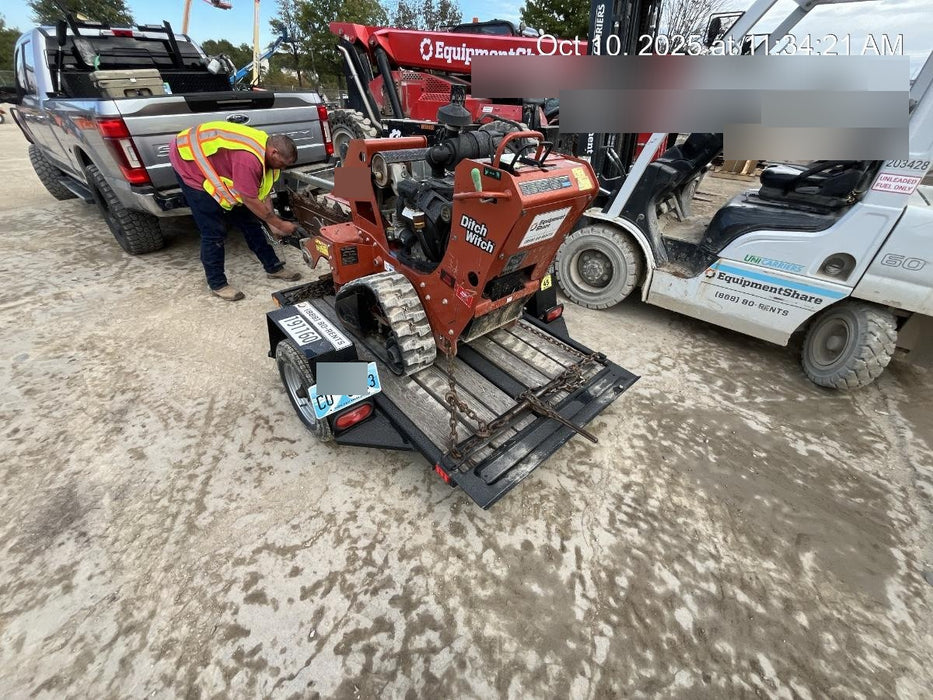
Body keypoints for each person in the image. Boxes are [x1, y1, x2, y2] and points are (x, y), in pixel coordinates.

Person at [169, 121, 302, 301]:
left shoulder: (267, 156)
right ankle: (217, 283)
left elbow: (262, 194)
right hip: (188, 160)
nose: (284, 168)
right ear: (274, 152)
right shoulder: (248, 160)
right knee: (213, 230)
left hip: (214, 161)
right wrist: (280, 224)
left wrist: (274, 225)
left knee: (250, 222)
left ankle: (273, 267)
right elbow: (249, 199)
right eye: (283, 163)